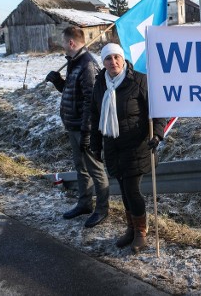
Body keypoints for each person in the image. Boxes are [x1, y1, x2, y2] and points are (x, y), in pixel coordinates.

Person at [90, 43, 165, 253]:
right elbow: (94, 115)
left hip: (136, 146)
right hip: (112, 147)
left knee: (132, 190)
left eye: (116, 57)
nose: (113, 62)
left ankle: (141, 231)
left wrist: (157, 134)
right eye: (108, 59)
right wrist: (95, 146)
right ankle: (131, 228)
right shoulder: (100, 84)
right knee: (123, 190)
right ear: (103, 62)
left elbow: (158, 110)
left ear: (123, 59)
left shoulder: (139, 80)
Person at [45, 26, 110, 228]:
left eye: (63, 42)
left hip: (85, 128)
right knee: (81, 167)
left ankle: (102, 208)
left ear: (71, 43)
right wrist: (58, 83)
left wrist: (87, 132)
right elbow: (73, 93)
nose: (62, 45)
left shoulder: (87, 64)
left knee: (95, 168)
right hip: (73, 125)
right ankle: (84, 204)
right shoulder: (74, 63)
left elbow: (91, 101)